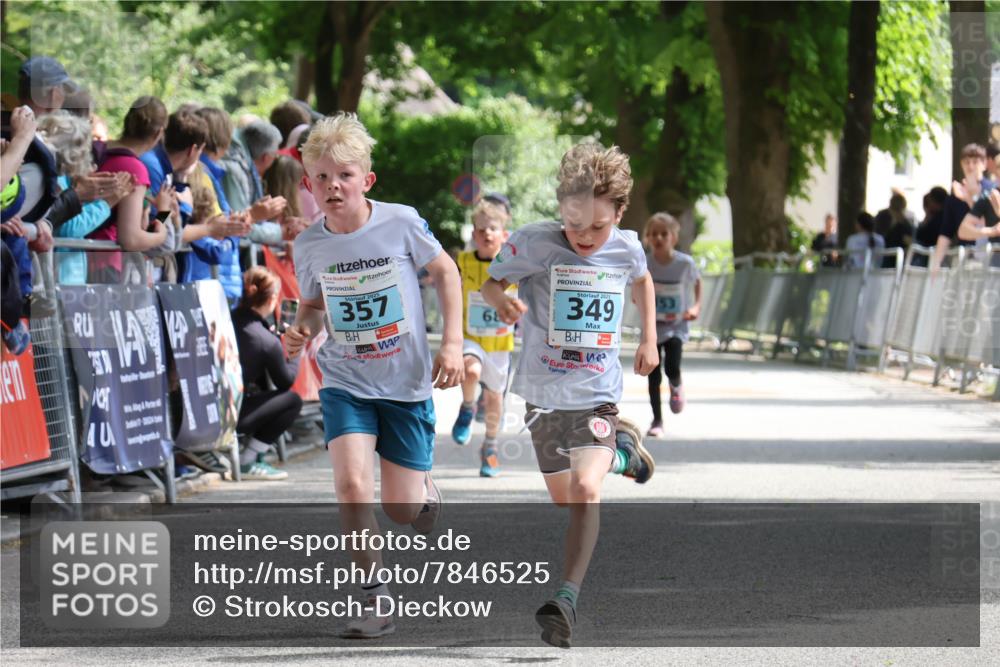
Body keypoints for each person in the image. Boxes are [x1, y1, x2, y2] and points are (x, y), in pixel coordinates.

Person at [284, 113, 464, 639]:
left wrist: (450, 343)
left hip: (404, 381)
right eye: (322, 177)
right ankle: (374, 598)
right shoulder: (310, 244)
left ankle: (424, 490)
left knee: (401, 509)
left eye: (344, 175)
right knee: (351, 484)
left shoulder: (401, 222)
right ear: (308, 184)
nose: (332, 186)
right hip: (344, 379)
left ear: (367, 180)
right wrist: (301, 329)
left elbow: (447, 272)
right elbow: (314, 307)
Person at [481, 141, 658, 648]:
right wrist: (503, 303)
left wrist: (648, 338)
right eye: (574, 224)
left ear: (620, 214)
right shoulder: (533, 242)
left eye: (597, 227)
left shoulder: (625, 246)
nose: (583, 236)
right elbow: (492, 284)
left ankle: (566, 598)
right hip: (542, 395)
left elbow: (642, 281)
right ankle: (623, 455)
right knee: (565, 497)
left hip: (596, 393)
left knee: (584, 490)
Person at [451, 194, 514, 477]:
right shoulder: (463, 261)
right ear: (473, 234)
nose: (486, 233)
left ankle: (490, 447)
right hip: (471, 337)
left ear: (504, 234)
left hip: (500, 343)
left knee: (494, 399)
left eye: (492, 228)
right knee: (471, 370)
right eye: (480, 229)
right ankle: (466, 407)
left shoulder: (514, 265)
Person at [89, 96, 170, 282]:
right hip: (103, 265)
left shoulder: (95, 149)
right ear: (159, 133)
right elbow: (131, 237)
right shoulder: (134, 168)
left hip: (71, 258)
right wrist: (163, 221)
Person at [231, 266, 301, 480]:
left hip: (204, 408)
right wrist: (295, 349)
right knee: (292, 401)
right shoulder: (265, 340)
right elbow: (285, 382)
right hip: (232, 415)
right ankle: (248, 460)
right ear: (273, 300)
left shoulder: (228, 318)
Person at [643, 212, 701, 438]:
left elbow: (697, 282)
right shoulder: (645, 263)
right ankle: (657, 420)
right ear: (647, 238)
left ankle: (676, 385)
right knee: (653, 375)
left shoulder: (684, 263)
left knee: (672, 367)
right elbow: (637, 284)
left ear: (673, 238)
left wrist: (696, 307)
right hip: (652, 327)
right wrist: (639, 298)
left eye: (663, 234)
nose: (658, 238)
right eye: (653, 234)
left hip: (676, 325)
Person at [221, 120, 287, 245]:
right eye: (275, 156)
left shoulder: (237, 161)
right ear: (266, 157)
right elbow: (239, 225)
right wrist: (281, 232)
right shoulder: (235, 169)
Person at [933, 143, 995, 271]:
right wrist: (936, 263)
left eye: (975, 162)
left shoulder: (993, 190)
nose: (971, 166)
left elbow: (986, 222)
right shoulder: (955, 196)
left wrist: (969, 198)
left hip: (992, 258)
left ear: (984, 164)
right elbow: (946, 232)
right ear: (961, 164)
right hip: (966, 260)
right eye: (967, 162)